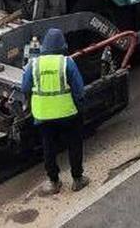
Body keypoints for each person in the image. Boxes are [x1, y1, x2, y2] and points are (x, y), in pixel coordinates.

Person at [22, 28, 90, 194]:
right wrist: (80, 106)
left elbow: (25, 87)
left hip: (43, 115)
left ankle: (54, 182)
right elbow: (79, 90)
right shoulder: (66, 62)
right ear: (62, 45)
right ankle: (77, 179)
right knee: (74, 145)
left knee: (49, 148)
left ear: (44, 45)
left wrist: (30, 105)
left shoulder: (34, 64)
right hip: (68, 113)